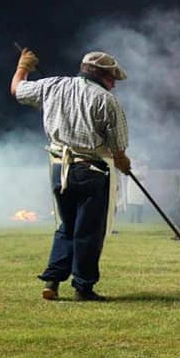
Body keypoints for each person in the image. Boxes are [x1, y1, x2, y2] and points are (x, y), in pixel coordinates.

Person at [10, 48, 132, 301]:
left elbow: (17, 90)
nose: (114, 83)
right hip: (90, 171)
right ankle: (83, 287)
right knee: (88, 232)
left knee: (66, 227)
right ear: (100, 75)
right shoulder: (106, 100)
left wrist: (23, 67)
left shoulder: (53, 86)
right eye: (112, 78)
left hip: (59, 169)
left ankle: (53, 281)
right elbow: (118, 146)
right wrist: (123, 162)